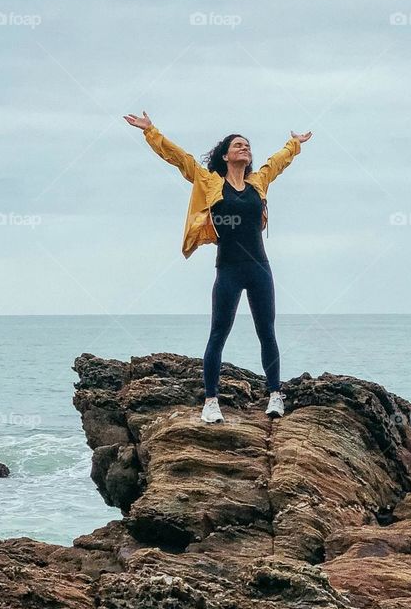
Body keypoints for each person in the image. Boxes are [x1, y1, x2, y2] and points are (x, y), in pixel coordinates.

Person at [123, 111, 311, 422]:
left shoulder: (257, 181)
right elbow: (180, 158)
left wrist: (294, 143)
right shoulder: (210, 182)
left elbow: (276, 162)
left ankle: (275, 394)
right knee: (218, 334)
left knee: (267, 331)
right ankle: (211, 402)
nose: (244, 148)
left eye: (247, 145)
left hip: (260, 268)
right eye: (238, 145)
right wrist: (151, 131)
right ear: (225, 155)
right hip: (228, 269)